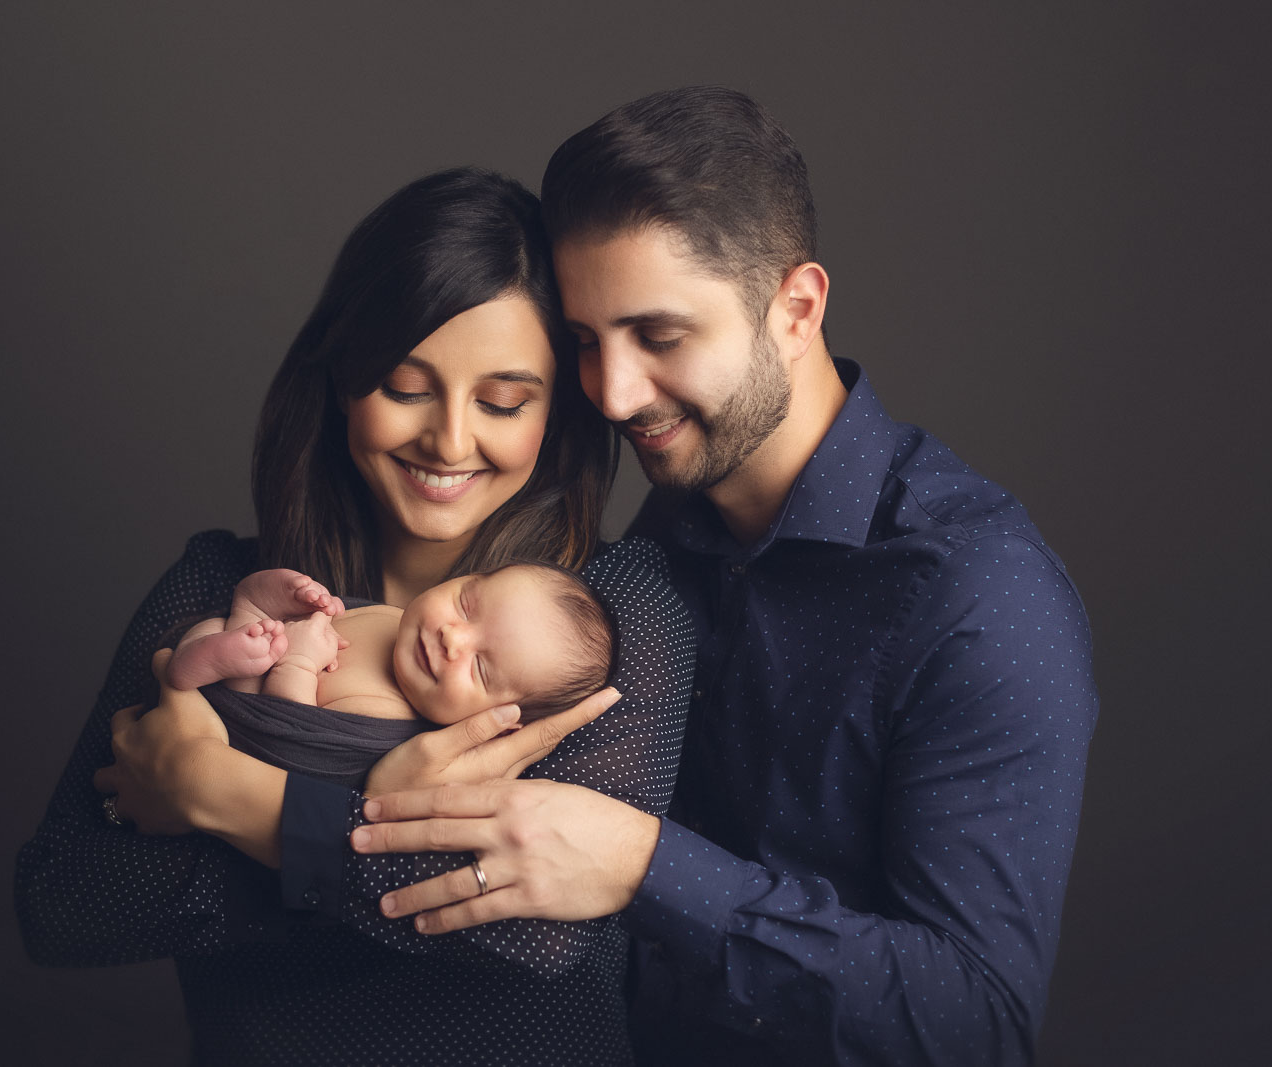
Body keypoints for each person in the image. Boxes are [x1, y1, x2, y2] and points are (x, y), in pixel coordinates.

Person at [347, 88, 1100, 1065]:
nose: (613, 393)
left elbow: (975, 1024)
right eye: (586, 340)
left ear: (795, 307)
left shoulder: (979, 596)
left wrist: (643, 866)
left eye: (659, 336)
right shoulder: (648, 534)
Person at [14, 166, 696, 1065]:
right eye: (407, 387)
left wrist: (220, 794)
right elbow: (61, 905)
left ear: (556, 413)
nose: (450, 441)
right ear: (341, 381)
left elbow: (537, 935)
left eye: (502, 402)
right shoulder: (224, 592)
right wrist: (377, 833)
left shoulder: (613, 621)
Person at [157, 561, 617, 790]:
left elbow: (288, 740)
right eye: (465, 604)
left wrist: (296, 666)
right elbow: (331, 616)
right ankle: (232, 626)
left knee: (237, 655)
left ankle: (197, 667)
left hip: (242, 713)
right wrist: (301, 599)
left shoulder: (388, 725)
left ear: (501, 720)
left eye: (479, 667)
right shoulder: (395, 617)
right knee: (243, 617)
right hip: (259, 641)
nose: (452, 638)